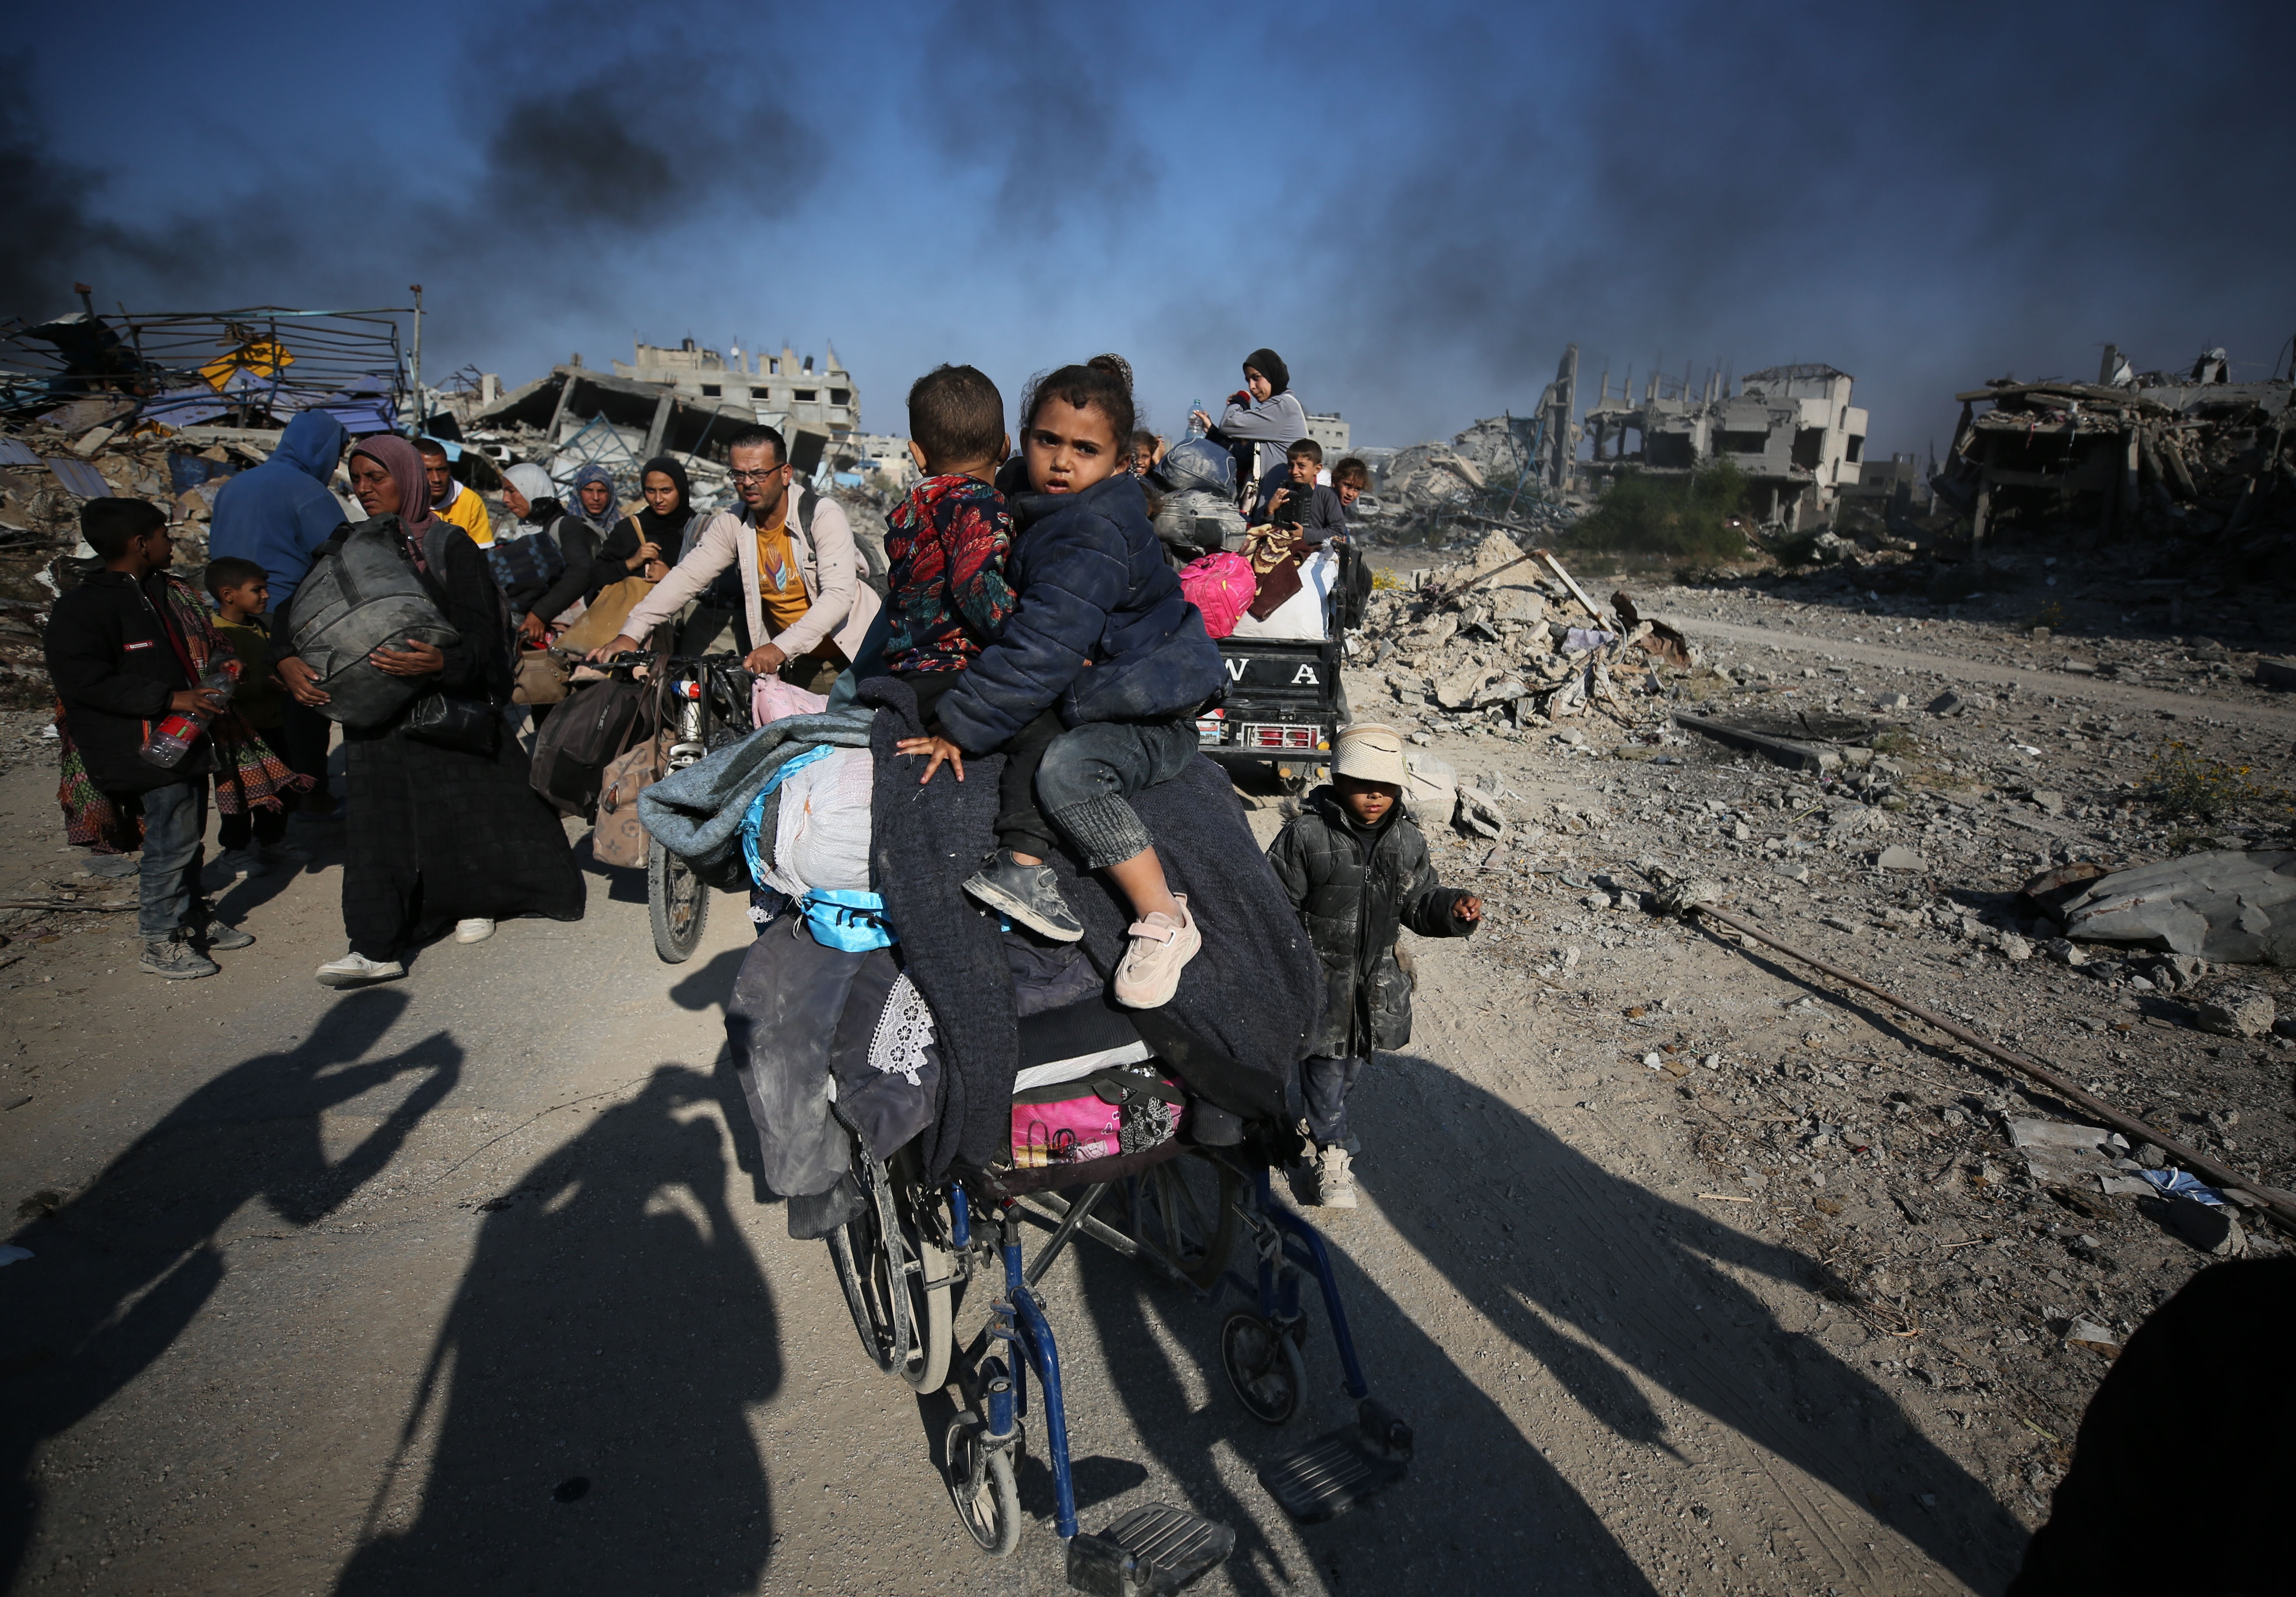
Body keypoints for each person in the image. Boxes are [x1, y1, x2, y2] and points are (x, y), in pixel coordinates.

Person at [899, 357, 1226, 1007]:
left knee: (1067, 770)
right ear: (1021, 441)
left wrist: (959, 726)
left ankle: (1164, 916)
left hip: (1147, 710)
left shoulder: (1093, 533)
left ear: (1118, 461)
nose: (1061, 462)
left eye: (1085, 450)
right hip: (1101, 685)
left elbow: (1044, 647)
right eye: (1049, 441)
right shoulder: (1030, 495)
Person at [278, 436, 584, 987]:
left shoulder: (448, 544)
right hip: (375, 716)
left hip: (443, 704)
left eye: (378, 477)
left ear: (408, 478)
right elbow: (296, 606)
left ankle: (475, 901)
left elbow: (484, 631)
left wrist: (445, 660)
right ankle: (375, 947)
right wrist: (284, 659)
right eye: (358, 479)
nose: (366, 490)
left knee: (463, 815)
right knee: (377, 832)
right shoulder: (344, 543)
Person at [43, 500, 266, 980]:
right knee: (169, 840)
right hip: (140, 744)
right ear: (140, 544)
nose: (172, 543)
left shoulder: (169, 594)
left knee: (185, 836)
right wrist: (170, 698)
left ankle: (190, 916)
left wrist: (221, 669)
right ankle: (159, 938)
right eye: (165, 535)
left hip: (185, 738)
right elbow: (83, 681)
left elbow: (199, 647)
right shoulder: (86, 606)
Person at [1265, 724, 1481, 1206]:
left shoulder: (1405, 842)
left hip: (1374, 983)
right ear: (1337, 779)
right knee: (1324, 1065)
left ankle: (1324, 1116)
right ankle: (1331, 1149)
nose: (1375, 796)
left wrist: (1451, 909)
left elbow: (1418, 900)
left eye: (1386, 787)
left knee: (1348, 1068)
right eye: (1363, 785)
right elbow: (1273, 904)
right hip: (1319, 979)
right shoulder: (1306, 836)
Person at [590, 427, 879, 693]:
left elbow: (838, 596)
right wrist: (632, 632)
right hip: (798, 662)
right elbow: (686, 577)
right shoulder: (735, 521)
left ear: (785, 473)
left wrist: (778, 649)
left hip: (852, 654)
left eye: (759, 473)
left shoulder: (821, 514)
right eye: (739, 475)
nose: (748, 484)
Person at [207, 408, 347, 816]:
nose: (335, 462)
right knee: (302, 704)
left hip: (229, 616)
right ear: (320, 449)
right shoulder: (306, 490)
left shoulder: (235, 486)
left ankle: (254, 794)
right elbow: (339, 556)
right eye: (335, 452)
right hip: (285, 616)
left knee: (245, 706)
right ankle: (308, 794)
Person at [203, 556, 310, 878]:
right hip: (237, 730)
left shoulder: (262, 626)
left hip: (272, 723)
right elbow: (220, 685)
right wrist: (265, 685)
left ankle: (271, 840)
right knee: (239, 792)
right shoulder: (217, 635)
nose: (266, 595)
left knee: (278, 787)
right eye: (257, 589)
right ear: (229, 594)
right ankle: (235, 850)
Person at [498, 461, 666, 643]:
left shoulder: (573, 525)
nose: (595, 498)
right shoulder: (530, 525)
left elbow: (582, 572)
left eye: (602, 491)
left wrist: (541, 612)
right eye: (588, 490)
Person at [1190, 348, 1307, 504]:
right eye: (1248, 381)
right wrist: (1212, 431)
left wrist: (1241, 399)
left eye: (1256, 378)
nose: (1252, 387)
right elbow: (1243, 456)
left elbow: (1228, 423)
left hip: (1282, 512)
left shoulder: (1283, 405)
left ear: (1272, 374)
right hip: (1269, 510)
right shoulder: (1276, 409)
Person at [417, 438, 495, 546]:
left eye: (442, 470)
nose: (436, 479)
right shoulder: (398, 500)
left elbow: (480, 553)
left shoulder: (470, 501)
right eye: (427, 471)